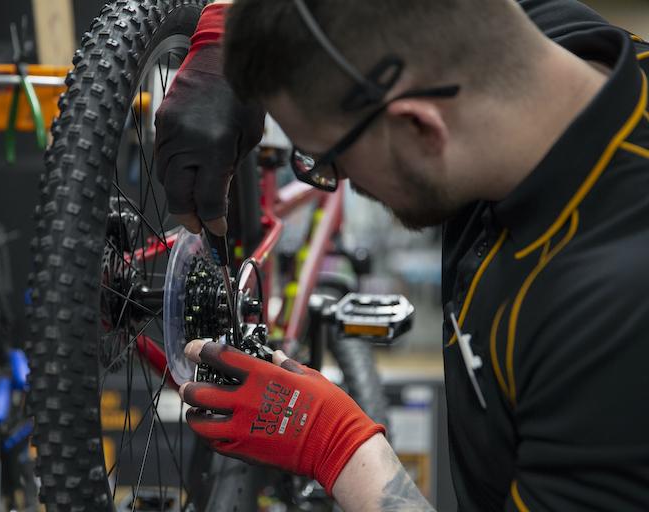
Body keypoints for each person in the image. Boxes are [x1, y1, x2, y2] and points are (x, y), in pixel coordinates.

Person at [155, 0, 649, 510]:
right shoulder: (540, 45)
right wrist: (224, 35)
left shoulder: (612, 326)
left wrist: (338, 447)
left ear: (420, 127)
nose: (332, 181)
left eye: (326, 161)